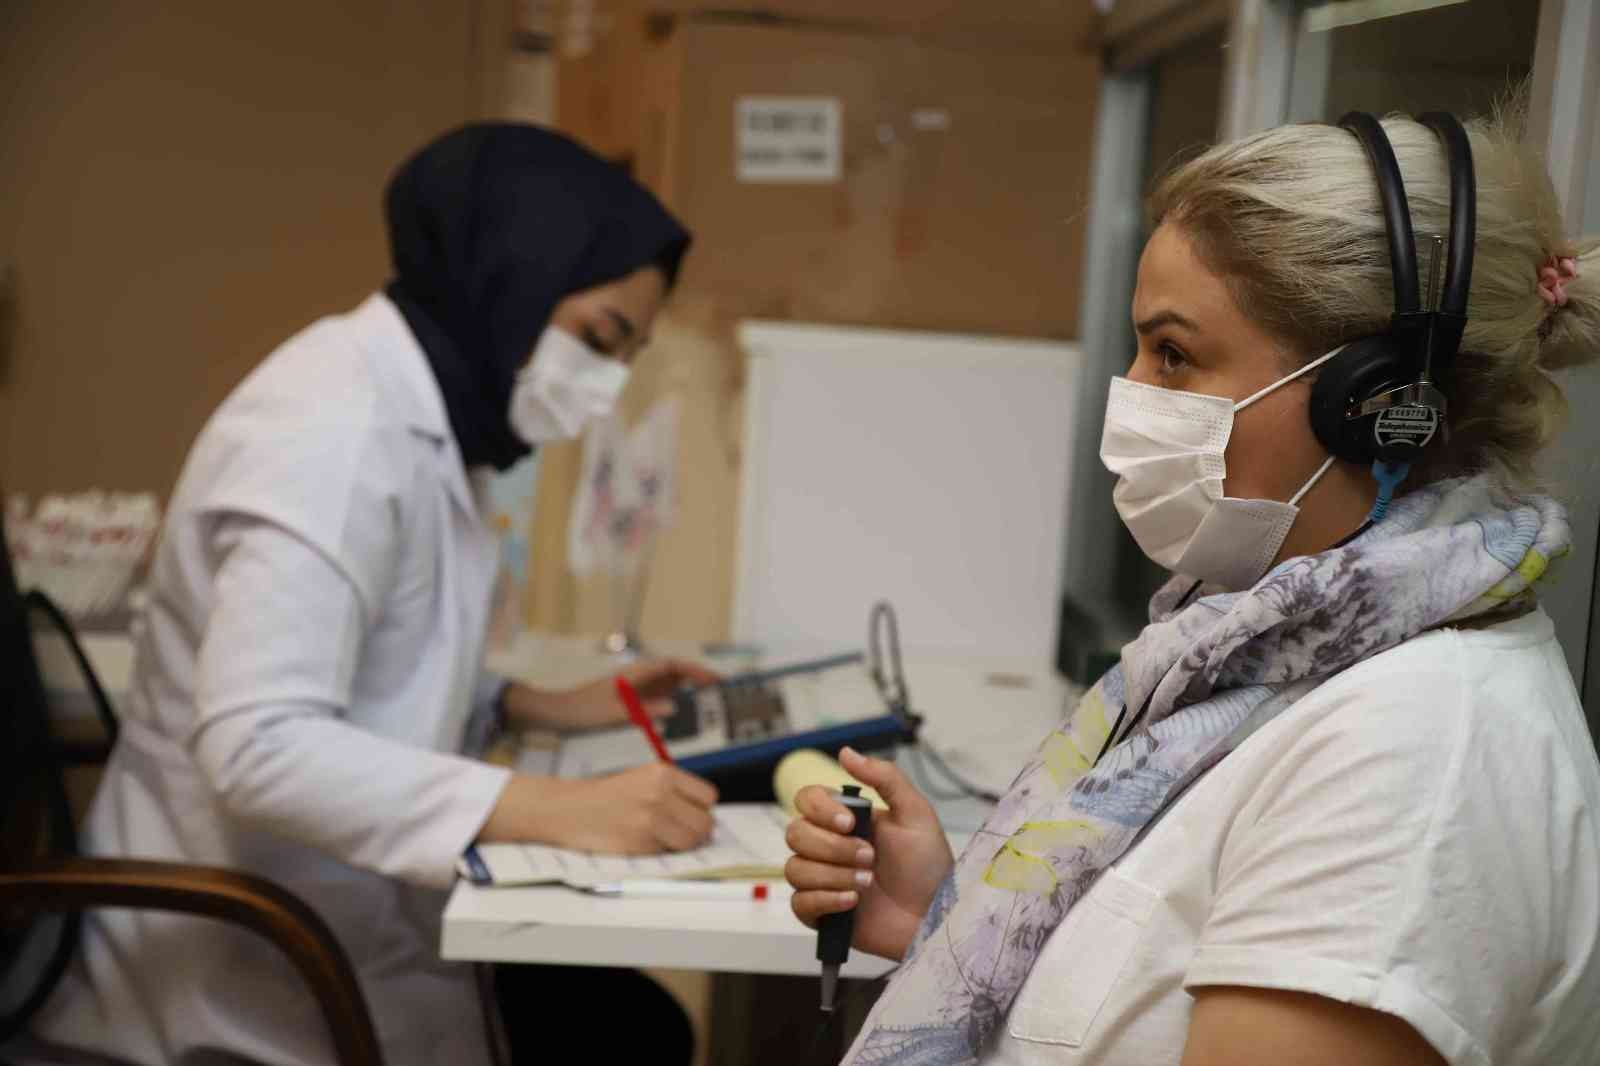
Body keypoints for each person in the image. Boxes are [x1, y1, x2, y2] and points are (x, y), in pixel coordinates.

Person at [787, 105, 1600, 1064]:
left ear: (1381, 408)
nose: (1131, 394)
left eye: (1174, 354)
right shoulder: (1258, 662)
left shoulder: (1418, 761)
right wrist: (952, 928)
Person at [23, 125, 717, 1066]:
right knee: (627, 1036)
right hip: (242, 957)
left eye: (624, 356)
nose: (602, 388)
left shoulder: (434, 413)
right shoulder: (333, 434)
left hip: (328, 914)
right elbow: (255, 743)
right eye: (599, 339)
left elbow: (375, 666)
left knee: (635, 1027)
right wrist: (544, 806)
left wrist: (525, 705)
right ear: (508, 275)